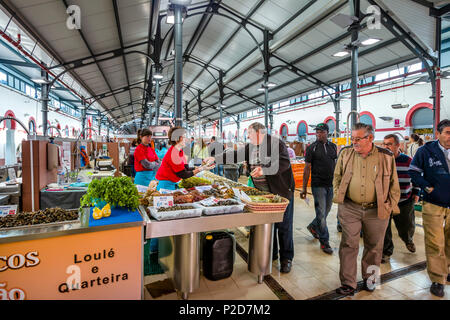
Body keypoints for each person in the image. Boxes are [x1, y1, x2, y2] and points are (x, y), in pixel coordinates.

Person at [205, 122, 296, 273]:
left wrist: (264, 170)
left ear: (260, 132)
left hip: (280, 193)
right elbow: (235, 155)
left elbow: (284, 163)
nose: (248, 137)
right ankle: (272, 253)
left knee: (284, 226)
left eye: (250, 134)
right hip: (263, 195)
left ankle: (286, 258)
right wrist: (215, 159)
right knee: (268, 223)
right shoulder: (250, 147)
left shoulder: (275, 143)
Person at [333, 123, 400, 296]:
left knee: (374, 246)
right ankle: (348, 283)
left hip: (377, 211)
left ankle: (370, 279)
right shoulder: (346, 154)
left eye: (357, 139)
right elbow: (337, 176)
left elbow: (394, 183)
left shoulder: (386, 156)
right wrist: (338, 197)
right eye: (352, 138)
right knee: (348, 244)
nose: (354, 142)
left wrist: (389, 205)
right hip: (350, 207)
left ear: (370, 138)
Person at [408, 119, 450, 298]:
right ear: (438, 134)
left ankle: (446, 270)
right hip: (433, 203)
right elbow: (413, 172)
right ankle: (437, 279)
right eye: (447, 132)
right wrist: (427, 187)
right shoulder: (426, 151)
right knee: (435, 243)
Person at [381, 134, 420, 263]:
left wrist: (416, 192)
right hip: (385, 201)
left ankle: (408, 240)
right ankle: (386, 251)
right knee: (384, 228)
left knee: (406, 226)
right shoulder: (380, 160)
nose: (386, 146)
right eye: (384, 144)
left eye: (389, 144)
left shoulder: (408, 160)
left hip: (404, 200)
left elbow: (416, 177)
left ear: (398, 145)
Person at [300, 123, 337, 254]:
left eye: (321, 132)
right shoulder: (312, 148)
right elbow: (307, 168)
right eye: (317, 132)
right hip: (318, 185)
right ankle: (324, 242)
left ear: (327, 132)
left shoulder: (333, 147)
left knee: (326, 212)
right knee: (321, 213)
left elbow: (336, 166)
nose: (318, 134)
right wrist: (304, 188)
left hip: (330, 184)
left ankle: (313, 227)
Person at [155, 127, 214, 191]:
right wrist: (201, 169)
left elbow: (186, 168)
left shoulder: (180, 151)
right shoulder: (173, 154)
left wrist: (201, 167)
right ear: (176, 139)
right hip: (166, 186)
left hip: (173, 183)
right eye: (183, 137)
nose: (185, 139)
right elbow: (183, 174)